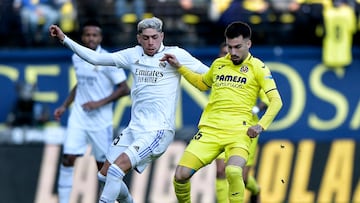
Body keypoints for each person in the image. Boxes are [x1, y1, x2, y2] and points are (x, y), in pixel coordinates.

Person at [49, 16, 209, 203]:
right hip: (134, 129)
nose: (151, 42)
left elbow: (208, 74)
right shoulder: (133, 55)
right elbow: (96, 58)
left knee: (116, 171)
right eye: (146, 38)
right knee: (104, 176)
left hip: (158, 131)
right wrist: (64, 39)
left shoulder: (176, 55)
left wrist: (181, 67)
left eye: (155, 37)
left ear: (162, 36)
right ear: (139, 38)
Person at [161, 21, 283, 203]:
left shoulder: (258, 67)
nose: (232, 52)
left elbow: (276, 101)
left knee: (233, 172)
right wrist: (180, 67)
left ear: (248, 44)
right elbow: (202, 83)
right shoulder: (219, 64)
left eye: (237, 47)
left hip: (239, 132)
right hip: (210, 131)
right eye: (229, 47)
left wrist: (261, 125)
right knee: (180, 175)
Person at [53, 20, 131, 203]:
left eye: (94, 35)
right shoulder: (77, 56)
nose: (90, 38)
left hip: (100, 122)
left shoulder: (107, 60)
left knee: (103, 170)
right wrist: (64, 106)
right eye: (87, 35)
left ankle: (119, 200)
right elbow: (80, 84)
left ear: (100, 38)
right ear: (82, 37)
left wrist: (99, 103)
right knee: (67, 158)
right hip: (79, 118)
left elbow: (124, 88)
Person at [214, 42, 268, 203]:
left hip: (246, 129)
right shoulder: (217, 70)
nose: (227, 56)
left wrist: (254, 110)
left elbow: (266, 99)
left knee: (241, 177)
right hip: (221, 127)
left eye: (229, 52)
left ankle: (255, 189)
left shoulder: (252, 70)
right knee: (221, 171)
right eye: (223, 53)